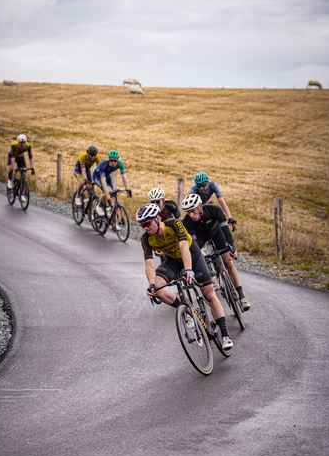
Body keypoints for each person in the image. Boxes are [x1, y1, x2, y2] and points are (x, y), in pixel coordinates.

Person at [136, 203, 233, 351]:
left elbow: (184, 247)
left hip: (192, 257)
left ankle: (225, 335)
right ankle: (186, 312)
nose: (146, 228)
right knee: (158, 290)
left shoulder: (174, 224)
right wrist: (151, 284)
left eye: (148, 223)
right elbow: (149, 264)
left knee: (209, 294)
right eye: (142, 226)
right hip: (173, 262)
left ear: (157, 219)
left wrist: (188, 270)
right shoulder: (146, 239)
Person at [182, 194, 251, 310]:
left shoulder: (214, 209)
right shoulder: (187, 221)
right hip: (201, 237)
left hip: (216, 233)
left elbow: (226, 231)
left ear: (200, 207)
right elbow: (193, 246)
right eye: (188, 213)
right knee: (197, 254)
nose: (191, 215)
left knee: (228, 263)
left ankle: (242, 297)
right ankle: (212, 274)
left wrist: (232, 249)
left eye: (193, 211)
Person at [93, 150, 131, 216]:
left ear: (117, 160)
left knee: (112, 194)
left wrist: (127, 190)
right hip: (98, 176)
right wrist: (107, 194)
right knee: (108, 191)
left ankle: (112, 219)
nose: (113, 163)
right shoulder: (103, 164)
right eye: (111, 161)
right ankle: (98, 206)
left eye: (115, 161)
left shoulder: (120, 164)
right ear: (109, 160)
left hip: (107, 176)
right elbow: (103, 180)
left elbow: (124, 177)